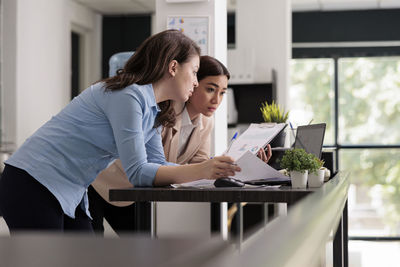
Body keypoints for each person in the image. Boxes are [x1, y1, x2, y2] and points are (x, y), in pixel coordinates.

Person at [0, 30, 240, 233]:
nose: (196, 82)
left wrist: (210, 171)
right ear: (173, 67)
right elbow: (138, 172)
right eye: (195, 71)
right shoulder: (129, 96)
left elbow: (158, 164)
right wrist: (203, 169)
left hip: (71, 189)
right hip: (34, 181)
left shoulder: (152, 109)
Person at [88, 55, 271, 235]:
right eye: (210, 89)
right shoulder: (161, 112)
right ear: (193, 83)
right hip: (100, 182)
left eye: (222, 92)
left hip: (132, 193)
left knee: (144, 252)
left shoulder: (206, 123)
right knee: (88, 252)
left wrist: (239, 165)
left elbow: (198, 168)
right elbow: (156, 165)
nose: (217, 100)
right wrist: (206, 168)